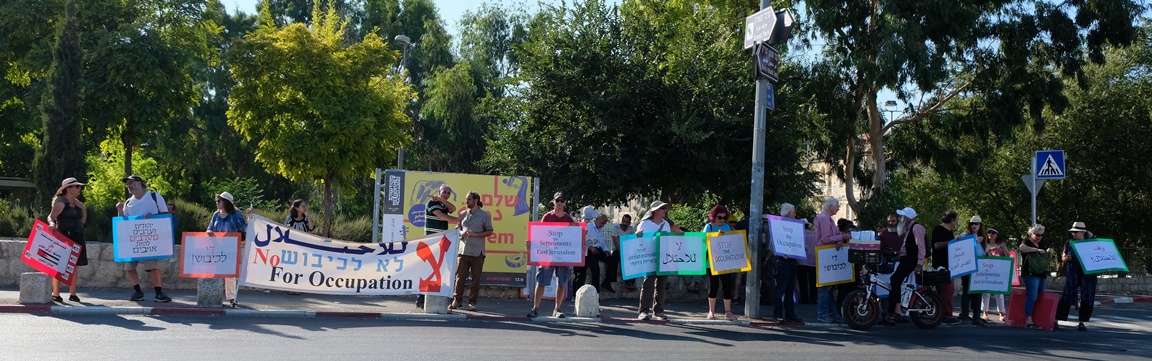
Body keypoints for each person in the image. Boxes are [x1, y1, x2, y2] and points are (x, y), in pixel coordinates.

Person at [115, 175, 172, 303]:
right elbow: (123, 222)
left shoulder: (154, 196)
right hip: (133, 240)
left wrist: (153, 217)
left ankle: (158, 293)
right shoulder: (129, 202)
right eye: (128, 184)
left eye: (132, 182)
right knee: (129, 267)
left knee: (152, 266)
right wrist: (120, 210)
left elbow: (165, 216)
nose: (129, 185)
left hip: (150, 239)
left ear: (140, 182)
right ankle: (137, 292)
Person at [528, 192, 576, 318]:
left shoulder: (568, 219)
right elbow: (540, 234)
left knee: (562, 283)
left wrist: (581, 243)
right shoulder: (547, 217)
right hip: (548, 255)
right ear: (553, 202)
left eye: (562, 200)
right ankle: (535, 308)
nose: (559, 203)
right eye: (557, 200)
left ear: (565, 203)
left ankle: (557, 309)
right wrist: (531, 243)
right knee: (542, 281)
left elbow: (573, 237)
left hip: (563, 256)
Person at [451, 192, 493, 311]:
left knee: (476, 278)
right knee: (460, 277)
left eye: (468, 199)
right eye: (466, 199)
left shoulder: (484, 215)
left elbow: (490, 231)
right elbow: (457, 230)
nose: (466, 201)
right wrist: (461, 233)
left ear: (476, 200)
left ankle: (472, 302)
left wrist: (475, 234)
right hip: (463, 251)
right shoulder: (463, 214)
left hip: (477, 252)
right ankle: (456, 300)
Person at [48, 178, 88, 303]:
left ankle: (73, 293)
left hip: (77, 236)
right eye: (76, 186)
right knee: (59, 264)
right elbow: (51, 216)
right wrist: (51, 224)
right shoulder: (60, 202)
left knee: (74, 265)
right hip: (64, 237)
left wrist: (83, 208)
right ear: (68, 188)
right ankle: (56, 293)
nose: (79, 189)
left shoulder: (77, 203)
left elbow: (83, 221)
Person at [884, 207, 926, 324]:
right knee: (895, 281)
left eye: (901, 217)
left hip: (912, 260)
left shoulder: (916, 228)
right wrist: (900, 255)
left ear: (906, 219)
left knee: (895, 279)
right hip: (907, 259)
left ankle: (896, 310)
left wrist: (919, 264)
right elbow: (905, 246)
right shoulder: (907, 229)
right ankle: (893, 311)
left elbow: (921, 247)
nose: (899, 219)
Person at [418, 184, 458, 308]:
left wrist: (441, 199)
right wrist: (458, 220)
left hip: (441, 240)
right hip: (432, 240)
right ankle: (420, 298)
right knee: (429, 268)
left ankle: (439, 295)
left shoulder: (442, 203)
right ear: (439, 191)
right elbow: (441, 216)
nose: (446, 194)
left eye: (448, 193)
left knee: (440, 268)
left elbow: (453, 208)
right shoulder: (431, 203)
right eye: (444, 192)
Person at [207, 192, 248, 307]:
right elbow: (210, 228)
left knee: (229, 274)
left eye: (219, 201)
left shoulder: (236, 214)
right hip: (216, 247)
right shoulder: (216, 214)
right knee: (215, 272)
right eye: (217, 201)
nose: (217, 203)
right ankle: (213, 296)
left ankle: (231, 298)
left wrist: (249, 218)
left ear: (226, 202)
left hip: (230, 247)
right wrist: (209, 232)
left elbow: (244, 228)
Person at [814, 197, 851, 323]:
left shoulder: (826, 218)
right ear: (830, 206)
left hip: (828, 254)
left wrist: (839, 240)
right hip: (826, 255)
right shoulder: (824, 218)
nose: (838, 208)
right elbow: (825, 238)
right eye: (837, 206)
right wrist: (842, 236)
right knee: (825, 287)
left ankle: (831, 313)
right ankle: (823, 313)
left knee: (829, 287)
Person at [636, 200, 674, 320]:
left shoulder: (666, 224)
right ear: (655, 211)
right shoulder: (644, 224)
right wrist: (638, 235)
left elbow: (669, 240)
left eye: (664, 208)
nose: (664, 211)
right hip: (649, 257)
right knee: (648, 284)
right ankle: (643, 311)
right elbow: (637, 241)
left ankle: (658, 311)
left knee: (661, 285)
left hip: (663, 257)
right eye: (662, 209)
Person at [1058, 222, 1097, 331]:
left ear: (1083, 232)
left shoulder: (1092, 243)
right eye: (1072, 232)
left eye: (1076, 232)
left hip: (1088, 274)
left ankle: (1082, 322)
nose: (1073, 234)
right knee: (1067, 295)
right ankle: (1057, 319)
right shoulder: (1069, 243)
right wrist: (1065, 259)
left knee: (1087, 297)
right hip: (1073, 273)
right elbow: (1063, 256)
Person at [702, 204, 737, 321]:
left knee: (727, 285)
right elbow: (703, 240)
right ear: (714, 217)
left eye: (723, 217)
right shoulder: (708, 227)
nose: (722, 220)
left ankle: (728, 312)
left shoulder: (727, 227)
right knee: (714, 286)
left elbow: (731, 242)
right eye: (719, 217)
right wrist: (717, 235)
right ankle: (711, 312)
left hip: (725, 262)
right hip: (711, 262)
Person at [771, 203, 803, 323]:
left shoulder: (795, 226)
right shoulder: (778, 225)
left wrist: (801, 247)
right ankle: (778, 314)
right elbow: (773, 242)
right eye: (794, 211)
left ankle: (790, 314)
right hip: (782, 261)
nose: (795, 214)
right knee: (780, 289)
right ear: (789, 213)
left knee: (790, 289)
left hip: (792, 260)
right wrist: (780, 253)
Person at [1019, 224, 1053, 329]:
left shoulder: (1041, 244)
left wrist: (1049, 253)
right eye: (1037, 235)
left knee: (1040, 296)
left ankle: (1038, 318)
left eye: (1041, 235)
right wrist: (1036, 250)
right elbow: (1022, 248)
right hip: (1030, 274)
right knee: (1032, 296)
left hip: (1041, 273)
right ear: (1031, 233)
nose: (1039, 237)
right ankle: (1028, 319)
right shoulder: (1026, 242)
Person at [931, 210, 962, 325]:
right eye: (956, 220)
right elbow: (936, 245)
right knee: (946, 290)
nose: (957, 222)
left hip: (950, 265)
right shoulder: (939, 229)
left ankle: (942, 313)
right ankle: (945, 315)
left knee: (948, 290)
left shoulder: (949, 231)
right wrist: (952, 241)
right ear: (952, 220)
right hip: (941, 266)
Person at [577, 206, 617, 293]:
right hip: (589, 250)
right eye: (602, 223)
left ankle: (607, 282)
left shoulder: (599, 229)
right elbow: (583, 239)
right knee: (595, 271)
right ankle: (596, 292)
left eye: (604, 224)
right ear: (597, 220)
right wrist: (590, 247)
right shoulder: (589, 226)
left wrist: (606, 250)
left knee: (613, 261)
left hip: (598, 249)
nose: (603, 225)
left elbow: (602, 241)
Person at [959, 216, 987, 325]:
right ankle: (964, 315)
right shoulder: (964, 236)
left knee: (978, 293)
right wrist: (974, 239)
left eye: (976, 224)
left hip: (979, 269)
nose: (974, 226)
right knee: (967, 292)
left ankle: (976, 317)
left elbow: (982, 252)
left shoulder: (983, 239)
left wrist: (987, 253)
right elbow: (961, 246)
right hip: (967, 268)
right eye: (972, 224)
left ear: (980, 225)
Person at [982, 228, 1009, 321]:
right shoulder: (984, 244)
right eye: (989, 232)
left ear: (997, 235)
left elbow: (1007, 256)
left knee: (999, 292)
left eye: (993, 232)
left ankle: (1002, 313)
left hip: (998, 271)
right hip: (987, 270)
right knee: (986, 292)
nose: (991, 234)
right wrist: (987, 252)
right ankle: (985, 312)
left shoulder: (1001, 244)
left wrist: (999, 249)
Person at [609, 214, 637, 291]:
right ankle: (627, 282)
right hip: (617, 251)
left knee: (633, 260)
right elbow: (615, 242)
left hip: (628, 251)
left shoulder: (631, 229)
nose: (625, 223)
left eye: (627, 222)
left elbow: (635, 239)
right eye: (624, 221)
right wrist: (622, 252)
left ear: (629, 223)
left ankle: (632, 282)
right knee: (624, 261)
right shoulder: (615, 228)